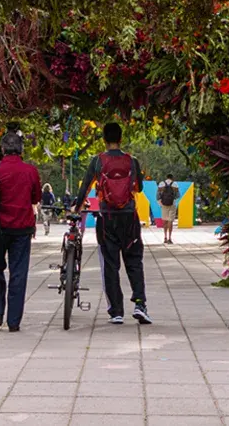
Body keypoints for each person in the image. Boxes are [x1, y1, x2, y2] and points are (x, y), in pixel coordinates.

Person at [74, 121, 151, 325]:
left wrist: (76, 209)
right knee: (134, 260)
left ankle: (116, 311)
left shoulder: (97, 161)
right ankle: (140, 303)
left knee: (110, 264)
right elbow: (140, 188)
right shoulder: (132, 161)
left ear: (104, 139)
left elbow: (85, 189)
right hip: (129, 217)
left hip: (107, 217)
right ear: (121, 138)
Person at [0, 130, 41, 332]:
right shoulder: (30, 171)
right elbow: (36, 198)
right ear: (21, 149)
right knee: (18, 273)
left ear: (2, 149)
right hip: (22, 228)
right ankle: (14, 321)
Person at [156, 174, 179, 245]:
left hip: (163, 204)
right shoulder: (175, 184)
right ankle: (170, 238)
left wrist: (160, 203)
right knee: (170, 221)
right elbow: (178, 195)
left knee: (164, 220)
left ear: (166, 177)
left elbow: (157, 195)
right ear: (172, 178)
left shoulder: (161, 183)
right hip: (172, 204)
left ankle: (165, 237)